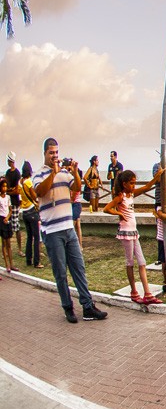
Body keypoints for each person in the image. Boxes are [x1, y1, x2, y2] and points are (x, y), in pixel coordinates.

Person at [32, 138, 108, 323]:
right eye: (51, 153)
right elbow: (40, 192)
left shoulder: (65, 173)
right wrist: (54, 173)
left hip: (68, 228)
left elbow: (76, 188)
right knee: (60, 273)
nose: (55, 156)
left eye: (56, 153)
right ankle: (68, 307)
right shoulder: (39, 175)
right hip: (52, 232)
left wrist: (73, 170)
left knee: (79, 269)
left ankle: (88, 307)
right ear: (44, 153)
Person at [104, 169, 164, 304]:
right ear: (124, 184)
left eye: (134, 183)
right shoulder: (120, 197)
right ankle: (134, 291)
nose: (133, 186)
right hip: (126, 232)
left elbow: (146, 187)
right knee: (130, 262)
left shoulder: (131, 194)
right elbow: (106, 208)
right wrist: (119, 214)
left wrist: (157, 177)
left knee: (142, 262)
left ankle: (147, 293)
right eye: (131, 183)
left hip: (134, 232)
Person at [19, 161, 41, 269]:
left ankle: (28, 259)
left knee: (29, 237)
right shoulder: (28, 182)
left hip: (24, 211)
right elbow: (34, 196)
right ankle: (37, 262)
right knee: (36, 237)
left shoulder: (21, 182)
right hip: (32, 211)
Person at [5, 152, 23, 257]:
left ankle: (19, 249)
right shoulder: (8, 172)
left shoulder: (16, 173)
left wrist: (9, 191)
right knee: (8, 226)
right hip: (9, 202)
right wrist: (10, 190)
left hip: (15, 203)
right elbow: (7, 187)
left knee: (16, 226)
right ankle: (9, 249)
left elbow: (16, 191)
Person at [0, 179, 12, 274]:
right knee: (4, 242)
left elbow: (10, 209)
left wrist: (8, 217)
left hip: (7, 219)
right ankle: (7, 264)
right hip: (1, 219)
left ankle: (11, 264)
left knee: (9, 243)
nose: (4, 188)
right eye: (3, 186)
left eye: (5, 186)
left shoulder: (7, 197)